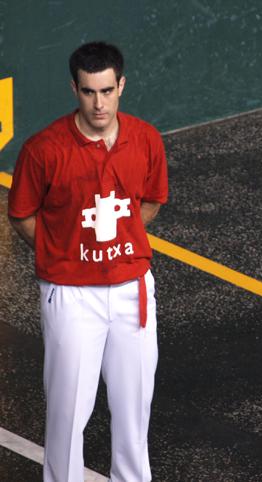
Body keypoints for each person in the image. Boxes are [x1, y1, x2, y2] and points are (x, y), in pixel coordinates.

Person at [8, 42, 168, 481]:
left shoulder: (146, 139)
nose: (99, 103)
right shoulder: (44, 149)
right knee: (68, 414)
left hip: (132, 291)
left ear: (122, 86)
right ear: (74, 89)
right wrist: (60, 252)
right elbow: (21, 214)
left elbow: (152, 200)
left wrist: (122, 237)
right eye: (88, 92)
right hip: (72, 296)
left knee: (135, 410)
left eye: (107, 91)